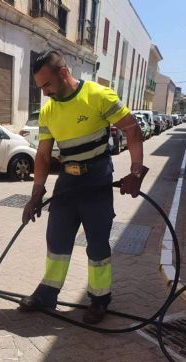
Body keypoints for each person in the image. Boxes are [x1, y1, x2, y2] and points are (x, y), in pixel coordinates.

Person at [19, 50, 148, 324]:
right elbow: (42, 155)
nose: (44, 93)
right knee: (56, 239)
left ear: (63, 74)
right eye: (40, 87)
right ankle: (48, 294)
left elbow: (132, 129)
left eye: (47, 85)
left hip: (97, 178)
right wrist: (36, 192)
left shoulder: (99, 96)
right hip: (67, 181)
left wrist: (136, 171)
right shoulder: (48, 111)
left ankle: (100, 298)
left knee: (98, 244)